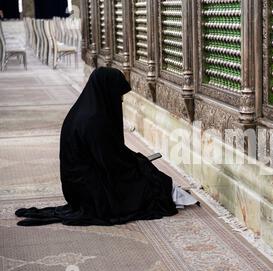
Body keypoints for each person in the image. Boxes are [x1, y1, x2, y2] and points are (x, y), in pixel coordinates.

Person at [16, 67, 197, 226]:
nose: (121, 101)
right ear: (107, 92)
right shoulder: (93, 121)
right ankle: (172, 193)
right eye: (118, 95)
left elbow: (107, 155)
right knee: (147, 182)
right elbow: (112, 163)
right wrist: (138, 163)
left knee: (142, 170)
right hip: (91, 192)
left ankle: (171, 191)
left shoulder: (85, 110)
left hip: (78, 188)